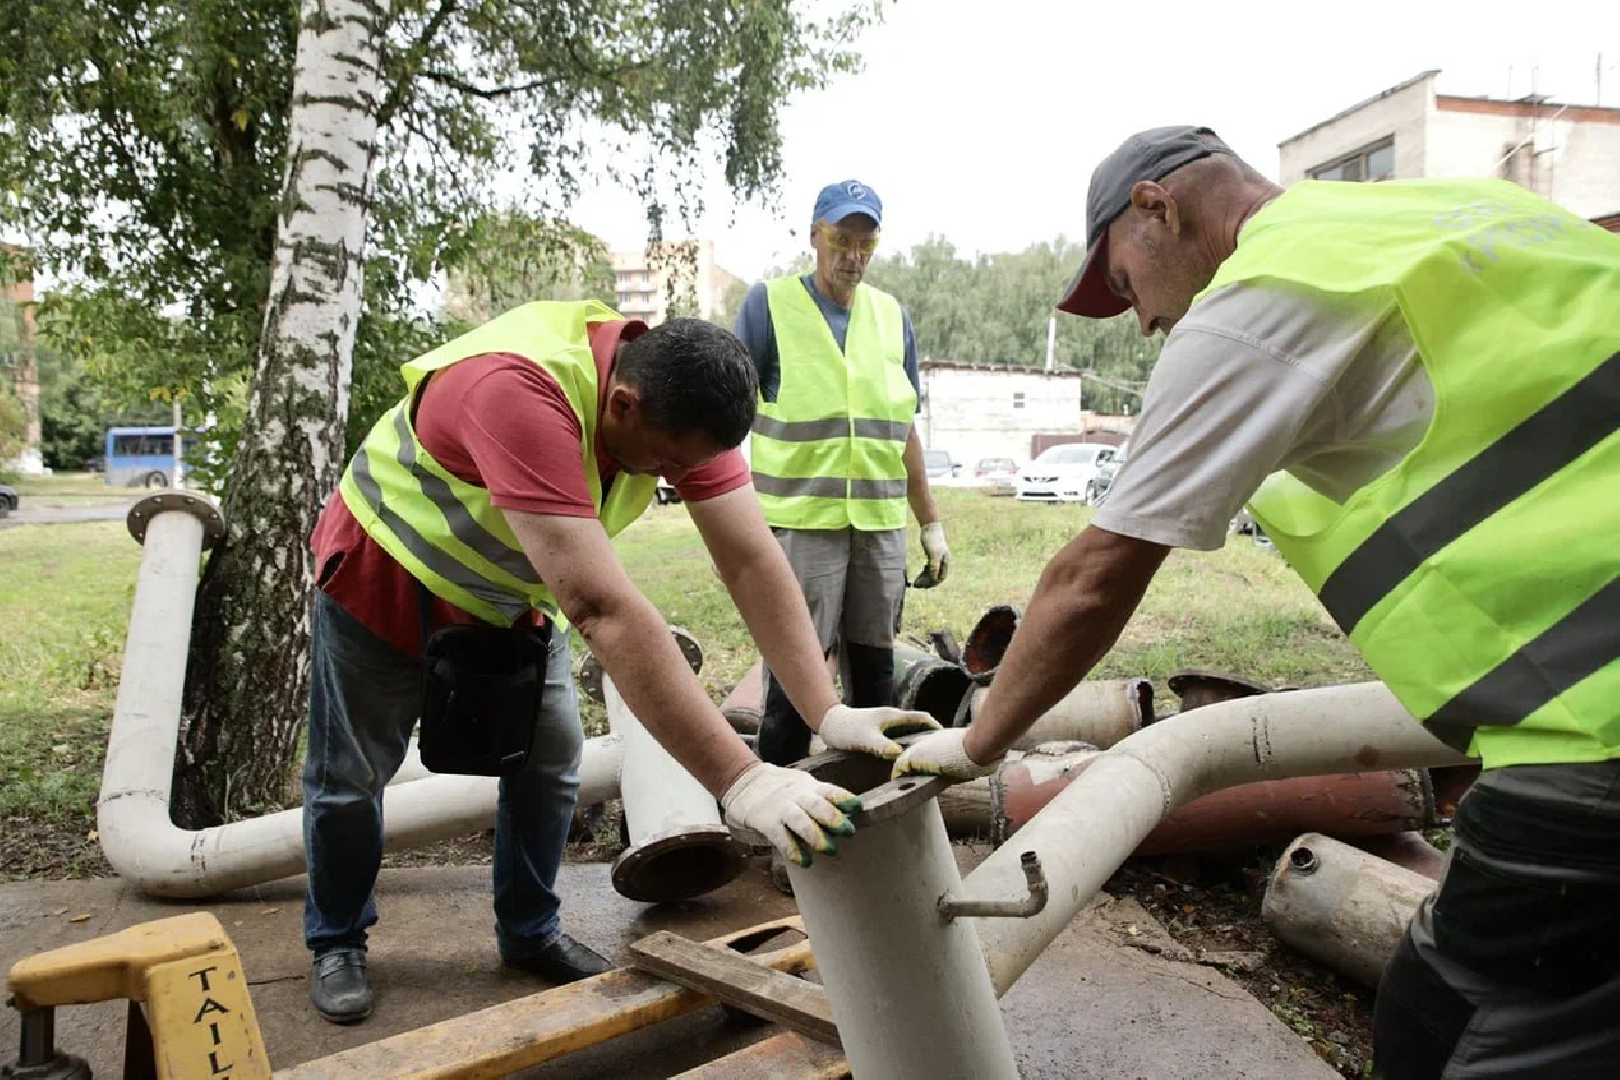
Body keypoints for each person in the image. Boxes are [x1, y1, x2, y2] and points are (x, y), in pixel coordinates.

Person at [894, 126, 1620, 1077]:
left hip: (1593, 725)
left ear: (1159, 207)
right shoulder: (1455, 213)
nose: (1144, 324)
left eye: (1125, 287)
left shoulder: (1261, 299)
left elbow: (1094, 576)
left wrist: (978, 742)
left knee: (1446, 1032)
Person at [303, 300, 936, 1024]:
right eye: (668, 462)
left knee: (549, 762)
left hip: (513, 594)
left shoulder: (685, 406)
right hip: (387, 579)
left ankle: (530, 931)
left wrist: (826, 709)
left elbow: (752, 560)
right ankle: (337, 940)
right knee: (351, 776)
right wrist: (742, 777)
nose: (674, 479)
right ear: (624, 403)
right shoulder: (516, 391)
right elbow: (602, 608)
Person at [734, 179, 950, 772]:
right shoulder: (769, 305)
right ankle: (777, 813)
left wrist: (930, 523)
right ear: (815, 236)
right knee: (794, 678)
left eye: (865, 242)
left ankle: (873, 805)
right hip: (802, 528)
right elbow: (724, 412)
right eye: (841, 239)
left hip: (879, 530)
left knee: (876, 677)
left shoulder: (891, 317)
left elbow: (904, 425)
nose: (853, 255)